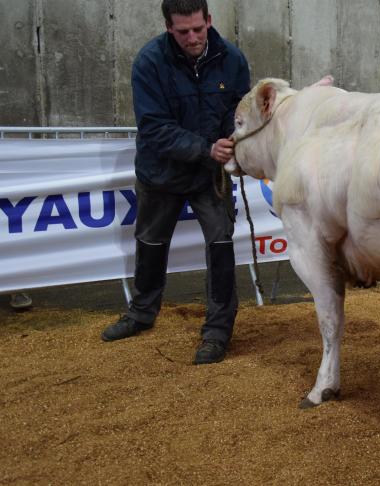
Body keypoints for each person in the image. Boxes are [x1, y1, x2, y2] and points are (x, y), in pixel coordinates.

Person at [101, 0, 250, 365]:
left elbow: (238, 112)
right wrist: (206, 148)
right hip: (161, 172)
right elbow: (153, 127)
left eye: (198, 29)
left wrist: (235, 141)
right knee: (150, 242)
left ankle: (217, 331)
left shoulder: (232, 59)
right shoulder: (149, 62)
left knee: (220, 245)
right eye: (183, 31)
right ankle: (141, 314)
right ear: (169, 27)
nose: (192, 37)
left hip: (209, 176)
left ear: (209, 21)